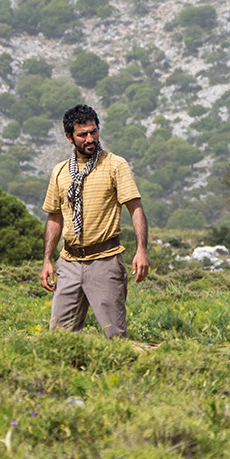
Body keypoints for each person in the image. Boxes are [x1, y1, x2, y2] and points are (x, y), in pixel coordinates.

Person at [40, 104, 150, 338]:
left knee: (115, 336)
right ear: (70, 137)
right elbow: (54, 217)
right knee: (59, 337)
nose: (90, 138)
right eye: (83, 134)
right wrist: (47, 260)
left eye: (94, 131)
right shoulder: (60, 172)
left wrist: (141, 250)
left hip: (105, 262)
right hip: (68, 263)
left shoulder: (115, 165)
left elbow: (135, 207)